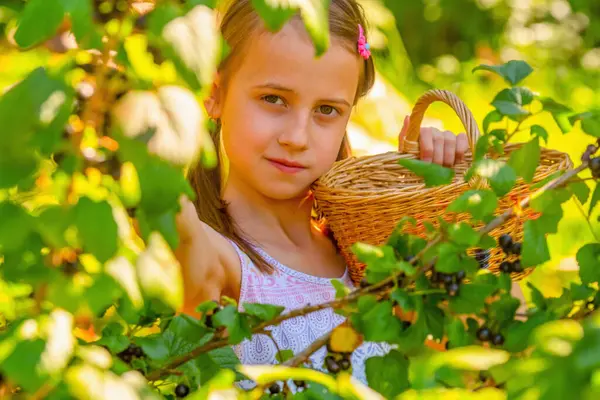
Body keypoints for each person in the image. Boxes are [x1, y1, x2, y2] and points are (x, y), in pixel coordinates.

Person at [175, 0, 474, 387]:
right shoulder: (216, 256)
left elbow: (493, 339)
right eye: (273, 99)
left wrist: (451, 197)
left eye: (327, 110)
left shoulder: (367, 256)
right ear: (213, 93)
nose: (296, 138)